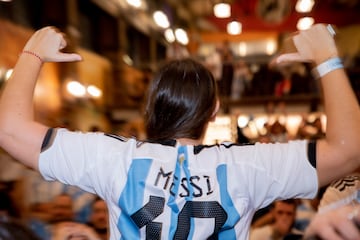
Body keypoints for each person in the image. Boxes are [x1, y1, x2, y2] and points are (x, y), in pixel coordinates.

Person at [0, 24, 359, 239]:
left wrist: (32, 53)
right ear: (214, 109)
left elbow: (10, 130)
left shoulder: (111, 158)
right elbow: (349, 150)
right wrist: (327, 58)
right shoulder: (252, 164)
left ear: (150, 106)